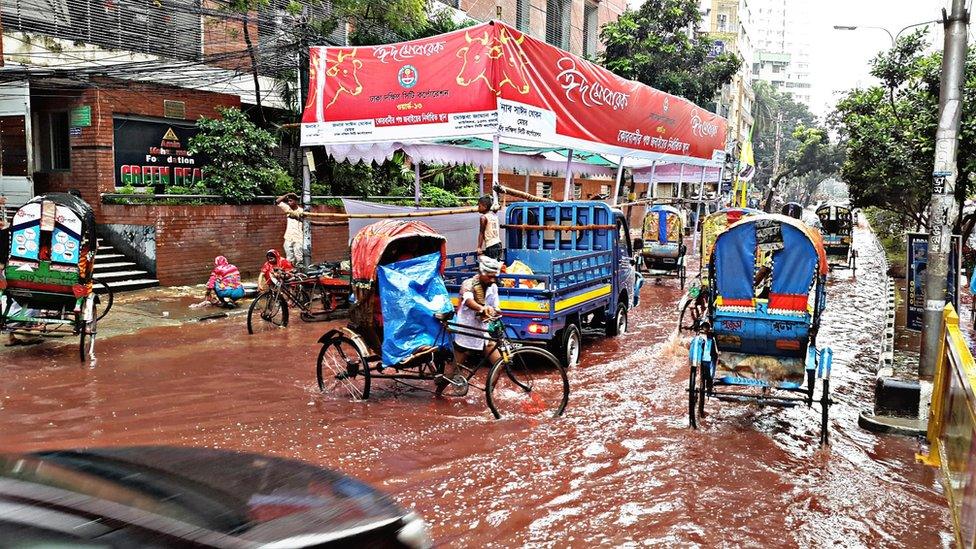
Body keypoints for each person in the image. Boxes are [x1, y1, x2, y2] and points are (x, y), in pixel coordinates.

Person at [439, 255, 502, 396]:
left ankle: (489, 395)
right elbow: (468, 301)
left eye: (494, 277)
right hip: (467, 332)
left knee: (500, 363)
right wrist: (482, 309)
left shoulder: (493, 287)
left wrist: (495, 311)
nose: (492, 280)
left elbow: (496, 307)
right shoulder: (468, 284)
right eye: (489, 276)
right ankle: (438, 394)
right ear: (481, 273)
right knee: (451, 373)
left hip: (483, 332)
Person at [275, 193, 304, 265]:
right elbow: (277, 201)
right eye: (288, 201)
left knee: (299, 257)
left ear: (296, 201)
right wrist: (288, 194)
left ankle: (301, 274)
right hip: (288, 237)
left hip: (298, 237)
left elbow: (306, 222)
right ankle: (290, 273)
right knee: (289, 258)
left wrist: (296, 217)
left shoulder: (302, 211)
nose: (289, 202)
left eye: (291, 201)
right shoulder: (288, 208)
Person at [476, 195, 501, 261]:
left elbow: (481, 232)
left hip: (491, 246)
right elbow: (496, 208)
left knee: (491, 268)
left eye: (479, 206)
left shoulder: (483, 218)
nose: (478, 208)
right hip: (498, 244)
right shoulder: (494, 215)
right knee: (495, 266)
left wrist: (479, 247)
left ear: (485, 207)